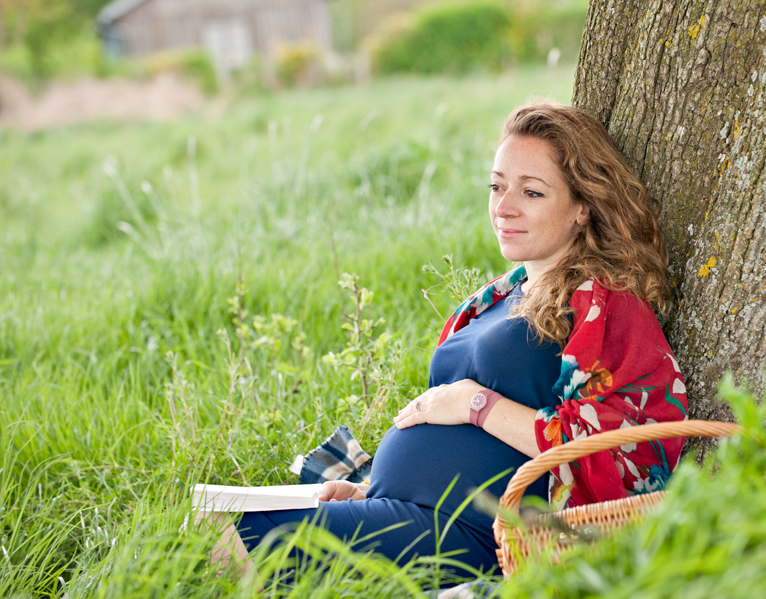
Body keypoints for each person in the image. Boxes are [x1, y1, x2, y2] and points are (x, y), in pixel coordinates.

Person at [201, 101, 689, 583]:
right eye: (497, 187)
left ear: (583, 206)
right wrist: (370, 491)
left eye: (532, 192)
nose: (504, 207)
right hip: (407, 511)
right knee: (202, 516)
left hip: (477, 535)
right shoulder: (498, 295)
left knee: (220, 537)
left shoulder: (602, 301)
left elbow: (623, 442)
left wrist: (475, 403)